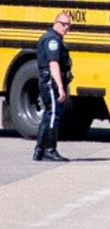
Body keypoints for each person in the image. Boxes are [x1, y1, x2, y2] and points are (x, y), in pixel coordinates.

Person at [33, 12, 73, 162]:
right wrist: (61, 88)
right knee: (53, 116)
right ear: (56, 23)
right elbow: (53, 64)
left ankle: (39, 150)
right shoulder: (52, 40)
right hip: (50, 82)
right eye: (64, 25)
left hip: (48, 81)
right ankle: (50, 149)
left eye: (69, 25)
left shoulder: (53, 38)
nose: (66, 28)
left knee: (48, 115)